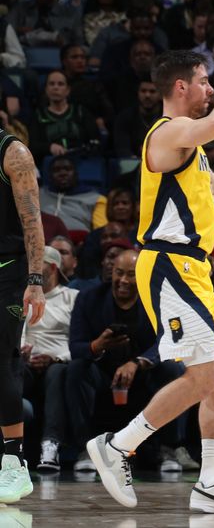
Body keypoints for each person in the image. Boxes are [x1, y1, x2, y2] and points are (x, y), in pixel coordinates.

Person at [85, 40, 214, 513]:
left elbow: (205, 181)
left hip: (192, 268)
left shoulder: (185, 144)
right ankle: (118, 446)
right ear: (181, 85)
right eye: (205, 80)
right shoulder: (169, 131)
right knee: (207, 372)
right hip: (169, 264)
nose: (210, 88)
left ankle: (212, 483)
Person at [66, 250, 186, 474]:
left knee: (174, 369)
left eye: (131, 275)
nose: (123, 280)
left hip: (144, 379)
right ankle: (86, 449)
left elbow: (169, 341)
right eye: (118, 273)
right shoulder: (89, 298)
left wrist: (137, 363)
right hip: (103, 376)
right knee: (76, 369)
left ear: (141, 275)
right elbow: (76, 347)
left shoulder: (158, 299)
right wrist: (98, 345)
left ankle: (168, 449)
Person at [0, 129, 46, 504]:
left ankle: (14, 462)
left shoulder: (13, 153)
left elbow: (32, 221)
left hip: (8, 272)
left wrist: (36, 279)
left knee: (2, 362)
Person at [20, 246, 77, 472]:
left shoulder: (72, 297)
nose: (30, 268)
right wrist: (22, 352)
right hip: (27, 361)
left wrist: (56, 358)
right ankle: (11, 451)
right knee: (9, 369)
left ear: (52, 266)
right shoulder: (23, 295)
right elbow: (19, 332)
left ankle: (50, 445)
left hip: (59, 362)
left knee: (56, 373)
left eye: (36, 263)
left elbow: (79, 340)